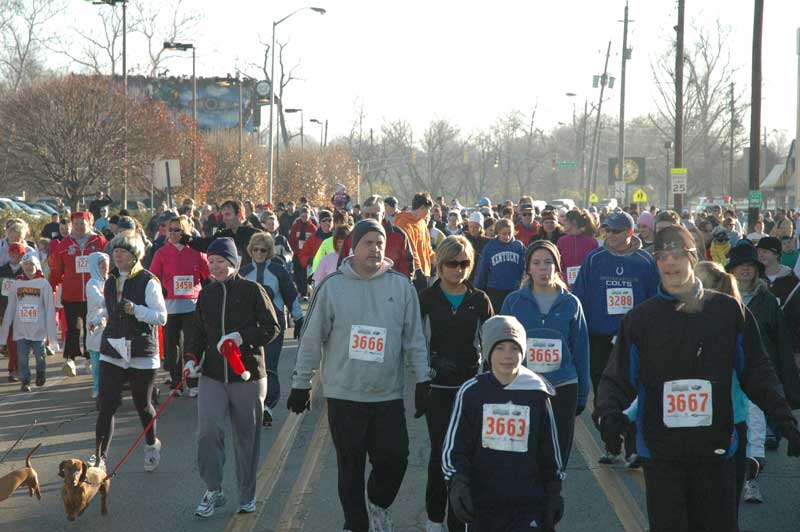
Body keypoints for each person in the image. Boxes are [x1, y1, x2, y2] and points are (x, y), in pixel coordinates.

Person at [595, 225, 800, 532]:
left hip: (715, 452)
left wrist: (783, 417)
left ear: (693, 257)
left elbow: (757, 371)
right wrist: (608, 414)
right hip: (661, 453)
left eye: (677, 252)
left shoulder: (728, 311)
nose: (669, 261)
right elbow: (617, 376)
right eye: (662, 255)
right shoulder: (640, 319)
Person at [287, 219, 432, 532]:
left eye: (379, 243)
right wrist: (301, 384)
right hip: (345, 394)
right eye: (368, 242)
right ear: (353, 246)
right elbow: (311, 338)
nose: (375, 248)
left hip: (387, 394)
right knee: (350, 467)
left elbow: (415, 339)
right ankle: (355, 523)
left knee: (396, 458)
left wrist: (423, 379)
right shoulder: (333, 287)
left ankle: (378, 502)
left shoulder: (401, 286)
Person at [184, 237, 280, 517]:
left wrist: (241, 337)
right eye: (211, 262)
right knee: (207, 432)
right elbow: (197, 334)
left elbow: (271, 328)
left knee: (246, 439)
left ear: (234, 262)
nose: (216, 267)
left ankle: (247, 494)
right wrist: (191, 359)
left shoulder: (253, 290)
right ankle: (213, 489)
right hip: (213, 375)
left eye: (221, 262)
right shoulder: (206, 294)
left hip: (247, 377)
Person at [442, 315, 565, 532]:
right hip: (482, 505)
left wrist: (554, 489)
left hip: (528, 505)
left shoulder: (537, 393)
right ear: (488, 352)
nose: (507, 355)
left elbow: (549, 448)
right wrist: (458, 481)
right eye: (499, 348)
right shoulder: (471, 392)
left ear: (523, 352)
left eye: (514, 348)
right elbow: (455, 446)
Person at [419, 235, 493, 532]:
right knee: (439, 456)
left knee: (467, 457)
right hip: (437, 390)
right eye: (452, 263)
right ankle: (435, 517)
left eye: (464, 263)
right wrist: (429, 367)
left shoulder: (479, 300)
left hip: (469, 389)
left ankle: (459, 519)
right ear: (440, 263)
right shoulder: (426, 298)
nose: (458, 269)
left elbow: (490, 345)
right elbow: (413, 342)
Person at [572, 210, 659, 465]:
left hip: (632, 339)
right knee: (603, 394)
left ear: (629, 233)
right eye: (606, 230)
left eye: (616, 231)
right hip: (599, 337)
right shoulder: (594, 259)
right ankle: (612, 445)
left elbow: (654, 299)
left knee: (633, 391)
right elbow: (579, 297)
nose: (609, 235)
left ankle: (634, 448)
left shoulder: (645, 261)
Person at [502, 240, 590, 466]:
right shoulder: (513, 302)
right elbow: (500, 346)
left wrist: (582, 395)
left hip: (562, 387)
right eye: (537, 263)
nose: (543, 268)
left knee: (557, 454)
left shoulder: (571, 303)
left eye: (548, 262)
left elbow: (581, 350)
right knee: (524, 453)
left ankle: (553, 497)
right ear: (528, 268)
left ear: (557, 266)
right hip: (524, 386)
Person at [94, 232, 167, 473]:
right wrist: (98, 317)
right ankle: (100, 458)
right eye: (115, 251)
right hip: (113, 347)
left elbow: (161, 317)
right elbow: (110, 308)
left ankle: (151, 444)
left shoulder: (148, 281)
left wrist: (136, 310)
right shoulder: (110, 280)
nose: (117, 256)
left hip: (141, 350)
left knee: (142, 405)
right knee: (107, 404)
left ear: (134, 255)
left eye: (123, 252)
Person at [240, 232, 304, 427]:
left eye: (264, 250)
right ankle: (252, 404)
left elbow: (291, 296)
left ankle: (267, 407)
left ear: (269, 252)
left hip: (273, 327)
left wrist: (299, 319)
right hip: (249, 327)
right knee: (249, 366)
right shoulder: (243, 272)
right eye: (256, 249)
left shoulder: (279, 271)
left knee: (270, 366)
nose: (259, 253)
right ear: (251, 250)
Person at [149, 215, 210, 397]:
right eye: (171, 230)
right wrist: (161, 291)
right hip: (170, 307)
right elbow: (153, 276)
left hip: (192, 305)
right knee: (172, 346)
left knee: (192, 344)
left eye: (178, 230)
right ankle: (176, 382)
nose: (174, 234)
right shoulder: (162, 253)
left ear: (185, 232)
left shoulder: (196, 251)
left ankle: (192, 382)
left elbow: (208, 272)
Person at [49, 211, 108, 376]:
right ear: (71, 225)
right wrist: (51, 286)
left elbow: (109, 264)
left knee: (92, 327)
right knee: (73, 328)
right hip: (71, 294)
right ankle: (70, 359)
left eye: (83, 223)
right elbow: (56, 270)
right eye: (76, 224)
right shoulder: (64, 245)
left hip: (94, 294)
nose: (79, 227)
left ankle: (90, 358)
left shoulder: (100, 241)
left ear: (90, 224)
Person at [0, 252, 58, 392]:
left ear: (37, 266)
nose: (28, 267)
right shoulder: (17, 284)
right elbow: (11, 308)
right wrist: (4, 333)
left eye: (31, 264)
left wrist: (52, 336)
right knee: (22, 358)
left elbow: (50, 309)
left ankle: (40, 373)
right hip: (21, 329)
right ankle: (25, 381)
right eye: (25, 265)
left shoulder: (43, 284)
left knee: (40, 356)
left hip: (38, 330)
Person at [337, 195, 415, 280]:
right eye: (367, 215)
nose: (370, 219)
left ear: (383, 215)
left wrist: (402, 287)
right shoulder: (351, 237)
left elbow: (407, 268)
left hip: (389, 289)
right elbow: (342, 267)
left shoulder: (398, 236)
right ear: (362, 215)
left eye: (374, 215)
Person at [185, 200, 261, 265]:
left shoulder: (255, 235)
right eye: (223, 216)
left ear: (239, 214)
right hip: (230, 278)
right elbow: (206, 244)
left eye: (227, 215)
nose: (224, 219)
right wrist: (186, 239)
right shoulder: (222, 235)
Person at [474, 218, 525, 312]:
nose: (507, 236)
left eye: (509, 233)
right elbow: (482, 269)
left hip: (514, 289)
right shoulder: (490, 247)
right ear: (498, 232)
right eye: (504, 233)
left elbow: (524, 268)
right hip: (495, 290)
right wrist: (477, 287)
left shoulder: (518, 246)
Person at [395, 192, 435, 292]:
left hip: (425, 272)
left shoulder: (422, 222)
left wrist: (439, 261)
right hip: (413, 274)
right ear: (422, 207)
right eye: (428, 210)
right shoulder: (403, 222)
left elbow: (427, 247)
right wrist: (417, 270)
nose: (429, 214)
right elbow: (411, 249)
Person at [85, 252, 109, 399]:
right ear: (94, 266)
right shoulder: (91, 284)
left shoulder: (110, 281)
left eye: (106, 265)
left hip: (110, 325)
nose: (105, 268)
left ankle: (109, 388)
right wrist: (115, 300)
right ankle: (97, 388)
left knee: (109, 361)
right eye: (101, 265)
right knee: (97, 362)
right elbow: (100, 301)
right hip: (95, 326)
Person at [558, 209, 599, 289]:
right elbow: (560, 264)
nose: (563, 223)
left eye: (566, 220)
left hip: (586, 285)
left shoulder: (592, 242)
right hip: (566, 286)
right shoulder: (561, 241)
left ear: (574, 222)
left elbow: (595, 266)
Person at [288, 206, 317, 299]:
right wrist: (294, 250)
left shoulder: (312, 228)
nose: (304, 218)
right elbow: (291, 239)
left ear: (309, 216)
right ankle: (300, 291)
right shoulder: (296, 226)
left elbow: (314, 241)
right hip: (297, 254)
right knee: (297, 273)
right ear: (300, 216)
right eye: (303, 216)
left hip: (306, 255)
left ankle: (305, 293)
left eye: (306, 216)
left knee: (305, 275)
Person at [464, 212, 490, 283]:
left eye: (475, 227)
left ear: (481, 227)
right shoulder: (464, 240)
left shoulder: (487, 241)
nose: (472, 229)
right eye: (470, 227)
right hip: (468, 274)